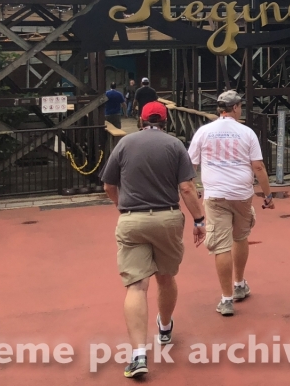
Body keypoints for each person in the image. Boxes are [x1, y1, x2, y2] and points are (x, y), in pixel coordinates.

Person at [100, 101, 207, 379]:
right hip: (167, 216)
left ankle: (138, 355)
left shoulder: (124, 144)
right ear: (165, 121)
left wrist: (121, 206)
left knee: (136, 285)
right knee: (166, 277)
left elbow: (108, 185)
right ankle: (165, 327)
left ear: (140, 119)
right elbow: (186, 187)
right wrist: (199, 220)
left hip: (132, 218)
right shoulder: (175, 145)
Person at [187, 90, 274, 317]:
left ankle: (226, 299)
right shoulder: (246, 132)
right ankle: (239, 284)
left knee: (221, 246)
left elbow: (190, 166)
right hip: (241, 194)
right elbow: (258, 167)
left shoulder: (204, 132)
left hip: (215, 194)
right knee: (240, 237)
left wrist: (194, 189)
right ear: (235, 108)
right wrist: (267, 195)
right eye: (240, 106)